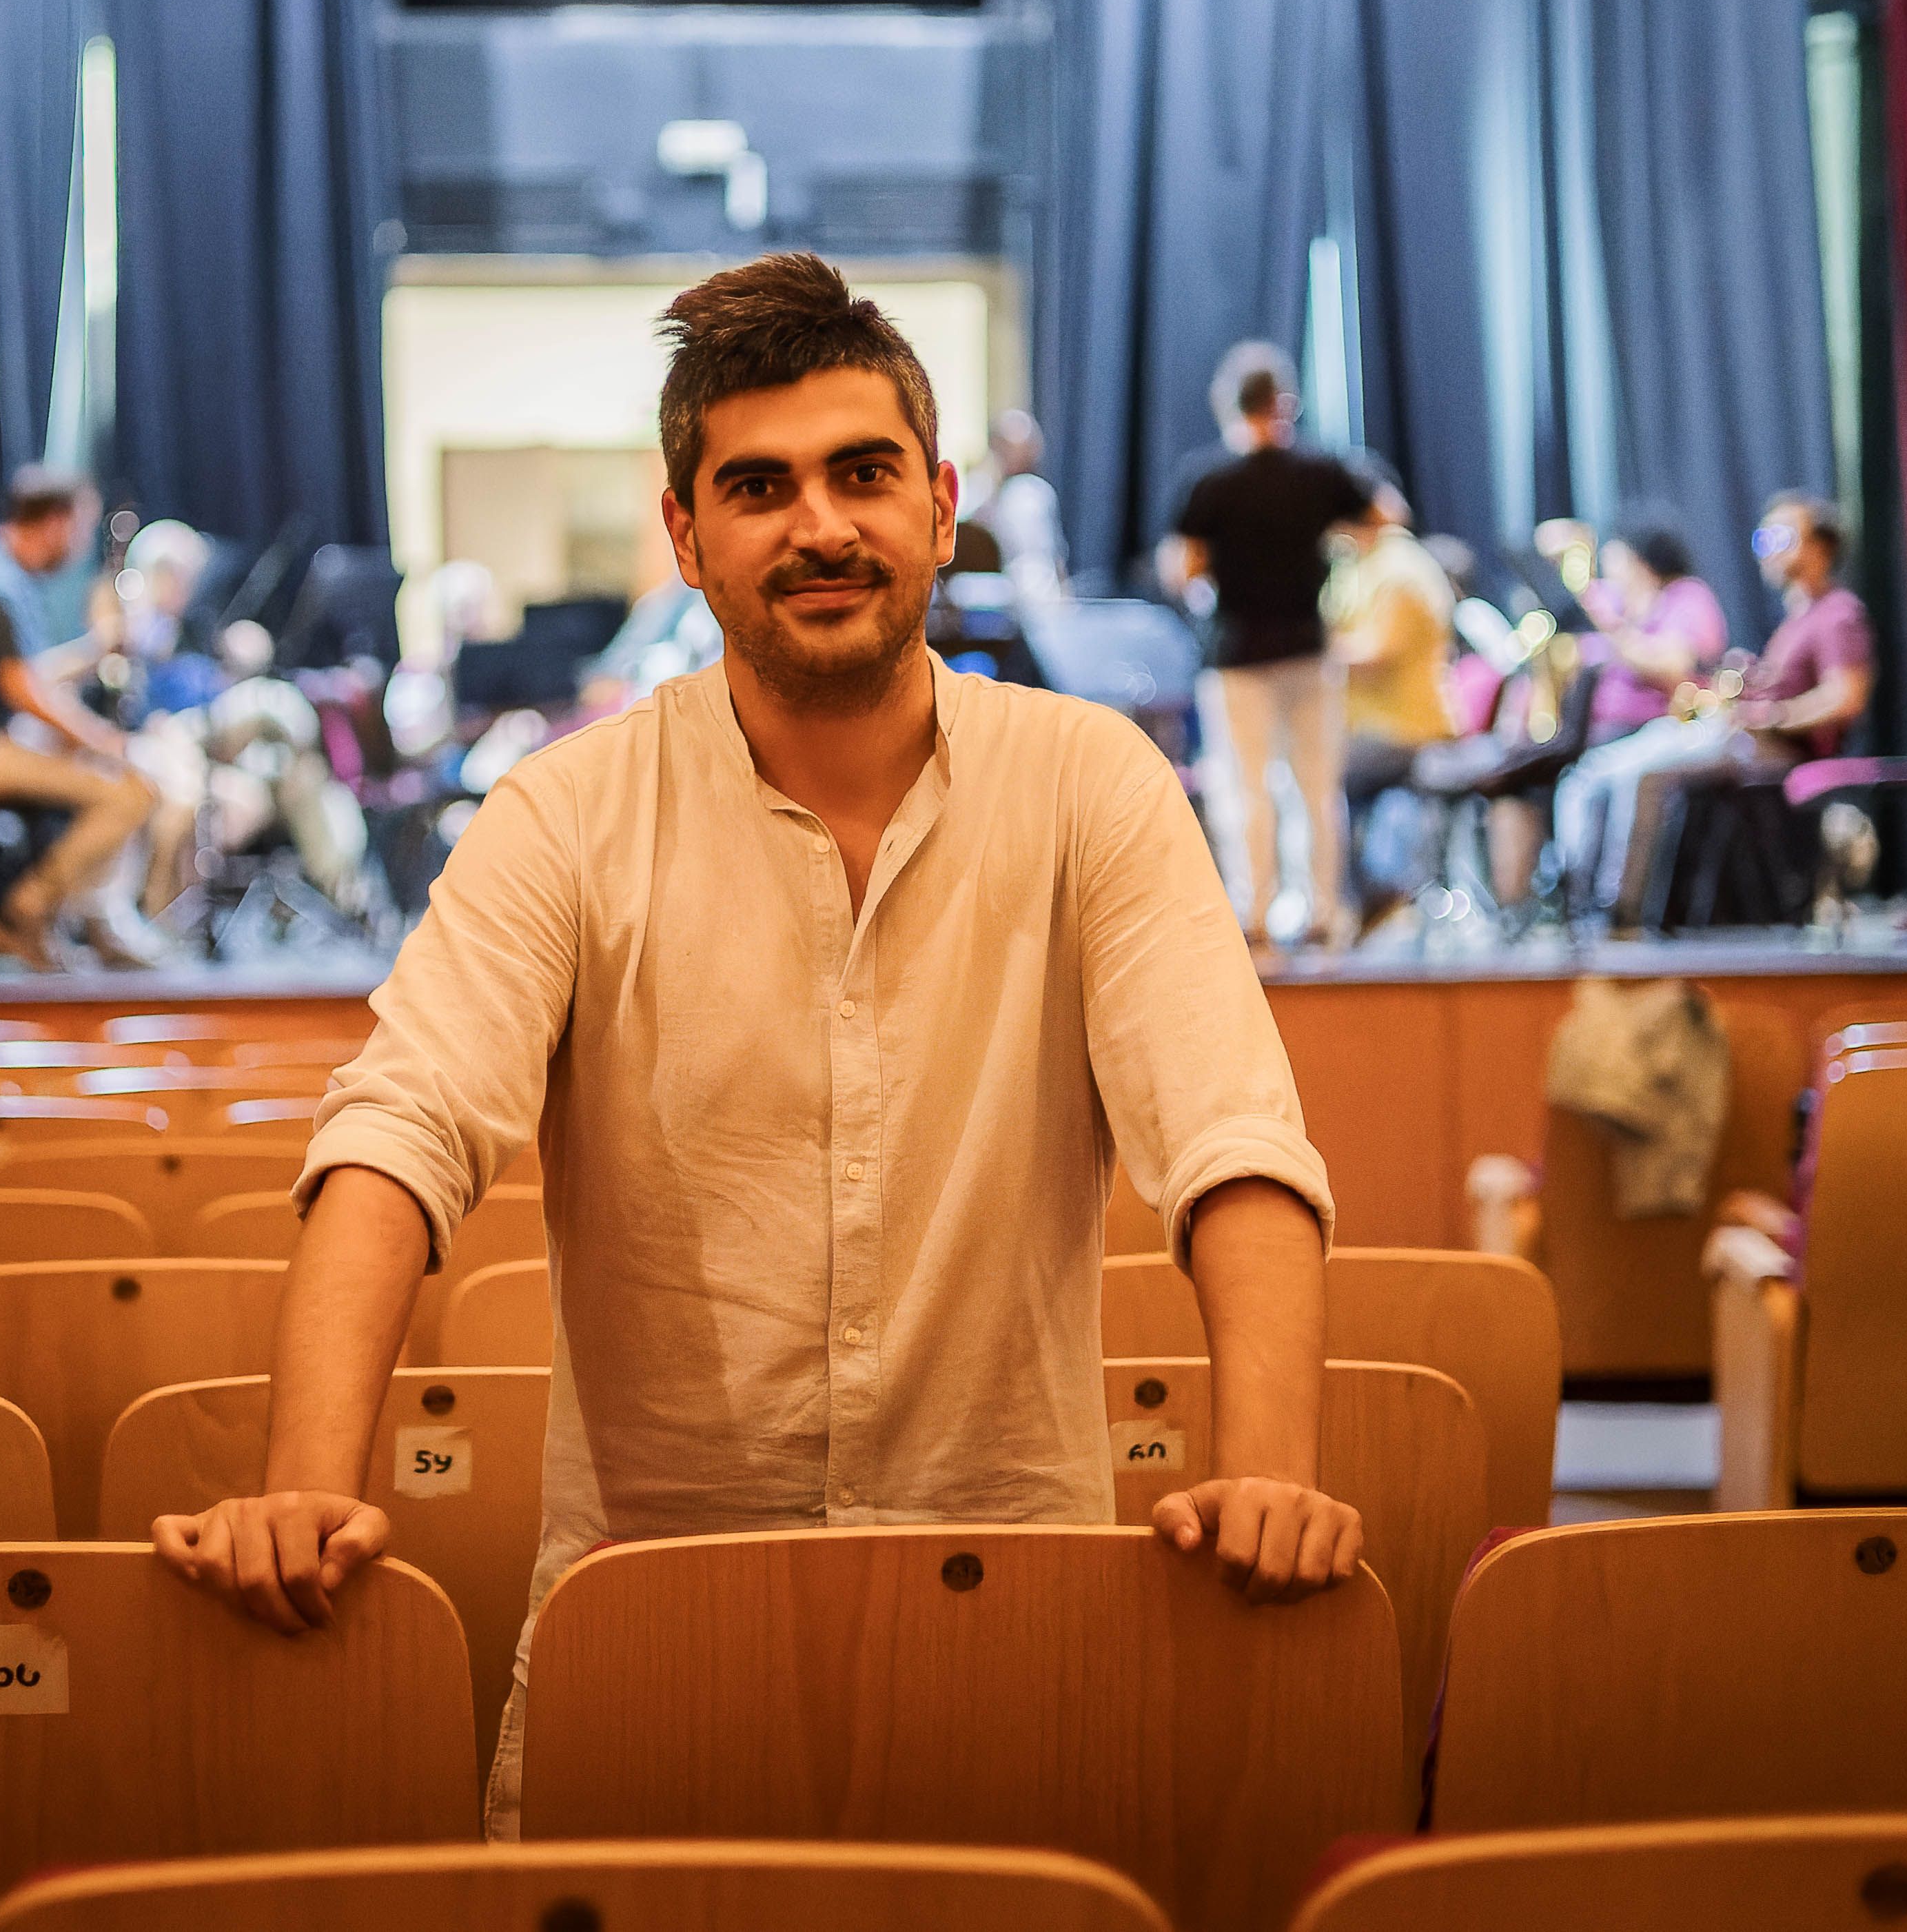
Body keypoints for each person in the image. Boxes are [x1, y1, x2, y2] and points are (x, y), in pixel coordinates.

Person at [147, 251, 1356, 1828]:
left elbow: (1230, 1135)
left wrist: (1266, 1467)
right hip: (647, 1654)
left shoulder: (1090, 782)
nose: (820, 524)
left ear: (936, 505)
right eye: (759, 485)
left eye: (862, 474)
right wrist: (308, 1476)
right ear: (686, 536)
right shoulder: (564, 814)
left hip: (1020, 1644)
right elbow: (400, 1132)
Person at [1551, 491, 1875, 926]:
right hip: (1751, 736)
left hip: (1777, 747)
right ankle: (1582, 893)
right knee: (1601, 770)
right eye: (1763, 539)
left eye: (1781, 537)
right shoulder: (1798, 615)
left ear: (1821, 547)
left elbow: (1846, 699)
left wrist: (1773, 717)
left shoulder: (1838, 614)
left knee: (1641, 773)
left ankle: (1619, 908)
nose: (1767, 550)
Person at [1160, 346, 1374, 949]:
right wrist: (1333, 544)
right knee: (1318, 788)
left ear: (1229, 405)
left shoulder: (1209, 482)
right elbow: (1385, 515)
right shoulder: (1322, 471)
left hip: (1238, 655)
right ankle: (1325, 912)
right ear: (1285, 403)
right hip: (1310, 648)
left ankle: (1253, 913)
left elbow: (1184, 569)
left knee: (1246, 788)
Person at [0, 469, 162, 968]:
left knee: (122, 778)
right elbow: (23, 689)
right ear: (56, 522)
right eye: (80, 528)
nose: (78, 545)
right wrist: (100, 739)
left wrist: (97, 650)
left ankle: (91, 918)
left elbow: (28, 674)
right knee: (131, 792)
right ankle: (29, 911)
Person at [1323, 465, 1458, 911]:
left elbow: (1377, 652)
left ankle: (1362, 904)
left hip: (1405, 727)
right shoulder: (1357, 563)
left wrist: (1312, 650)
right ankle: (1366, 901)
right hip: (1366, 726)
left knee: (1312, 783)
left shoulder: (1400, 568)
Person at [1573, 520, 1729, 744]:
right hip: (1602, 731)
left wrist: (1608, 624)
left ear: (1641, 562)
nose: (1606, 568)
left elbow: (1675, 671)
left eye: (1615, 558)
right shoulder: (1620, 605)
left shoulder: (1687, 597)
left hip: (1662, 729)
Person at [977, 408, 1068, 600]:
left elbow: (1054, 552)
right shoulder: (982, 492)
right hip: (1000, 598)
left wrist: (1066, 594)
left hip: (1041, 595)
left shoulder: (1037, 492)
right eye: (1007, 447)